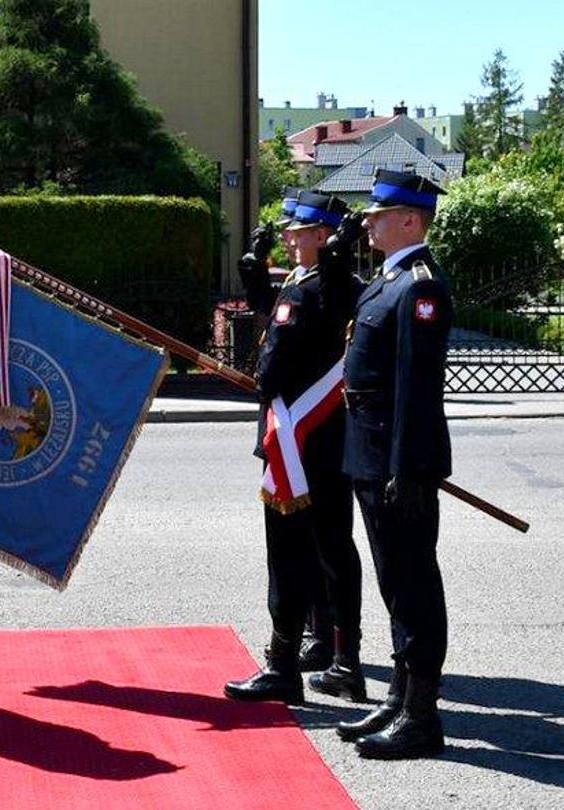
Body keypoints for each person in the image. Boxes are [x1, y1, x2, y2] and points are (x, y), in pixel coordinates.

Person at [225, 192, 365, 705]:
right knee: (326, 547)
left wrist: (332, 259)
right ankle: (335, 654)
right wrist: (257, 276)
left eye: (299, 230)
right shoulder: (304, 281)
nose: (287, 235)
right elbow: (283, 319)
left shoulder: (330, 285)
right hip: (307, 434)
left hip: (303, 438)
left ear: (323, 237)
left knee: (298, 550)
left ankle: (290, 662)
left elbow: (297, 341)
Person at [335, 169, 454, 759]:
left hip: (396, 461)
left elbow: (417, 388)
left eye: (378, 214)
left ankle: (422, 716)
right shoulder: (386, 281)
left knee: (412, 584)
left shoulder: (421, 287)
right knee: (392, 580)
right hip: (371, 451)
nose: (368, 221)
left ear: (410, 219)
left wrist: (407, 470)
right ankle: (400, 695)